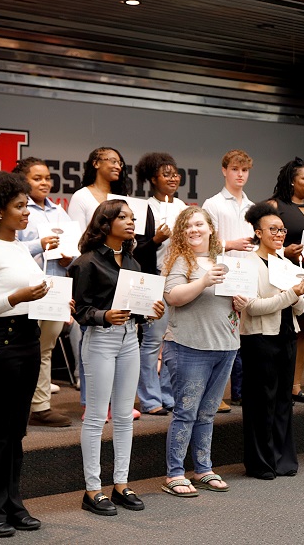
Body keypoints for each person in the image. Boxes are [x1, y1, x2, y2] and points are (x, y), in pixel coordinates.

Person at [0, 171, 55, 537]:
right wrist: (16, 298)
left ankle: (11, 504)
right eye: (20, 206)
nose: (27, 212)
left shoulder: (19, 246)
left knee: (16, 430)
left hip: (26, 339)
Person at [68, 200, 165, 516]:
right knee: (97, 416)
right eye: (123, 216)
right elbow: (80, 311)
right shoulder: (86, 263)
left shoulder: (135, 264)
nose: (131, 221)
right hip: (100, 341)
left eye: (133, 217)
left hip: (129, 341)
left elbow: (136, 308)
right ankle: (92, 490)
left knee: (125, 415)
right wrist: (104, 315)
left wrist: (151, 312)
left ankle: (121, 484)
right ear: (104, 223)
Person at [160, 207, 238, 495]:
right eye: (187, 226)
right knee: (186, 413)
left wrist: (240, 302)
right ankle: (174, 474)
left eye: (198, 224)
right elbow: (172, 297)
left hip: (226, 345)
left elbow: (232, 301)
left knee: (206, 414)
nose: (193, 230)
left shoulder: (224, 262)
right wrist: (203, 281)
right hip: (188, 346)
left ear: (210, 229)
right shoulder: (183, 261)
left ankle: (203, 468)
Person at [66, 147, 135, 415]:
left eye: (121, 161)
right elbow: (77, 236)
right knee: (91, 335)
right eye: (112, 160)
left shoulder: (122, 198)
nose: (118, 165)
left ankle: (115, 403)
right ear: (95, 162)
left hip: (119, 265)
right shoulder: (82, 196)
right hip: (94, 266)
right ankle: (91, 402)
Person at [239, 203, 304, 479]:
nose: (279, 234)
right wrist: (290, 294)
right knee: (260, 401)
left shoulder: (287, 264)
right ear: (258, 233)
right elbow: (251, 307)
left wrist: (300, 294)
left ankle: (283, 459)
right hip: (259, 338)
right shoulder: (247, 264)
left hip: (287, 334)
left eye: (282, 229)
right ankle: (260, 463)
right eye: (273, 229)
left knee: (282, 399)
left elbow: (299, 309)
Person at [13, 157, 73, 428]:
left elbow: (74, 248)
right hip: (28, 290)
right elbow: (9, 249)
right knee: (25, 350)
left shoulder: (60, 212)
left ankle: (40, 407)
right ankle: (18, 406)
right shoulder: (17, 208)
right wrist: (40, 244)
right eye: (37, 178)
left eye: (47, 177)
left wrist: (68, 258)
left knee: (45, 349)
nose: (45, 182)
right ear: (23, 180)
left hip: (56, 288)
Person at [133, 152, 187, 416]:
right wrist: (155, 239)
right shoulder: (144, 208)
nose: (173, 178)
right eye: (166, 174)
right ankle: (150, 398)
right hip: (155, 277)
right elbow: (134, 248)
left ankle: (168, 394)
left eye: (175, 173)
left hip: (180, 280)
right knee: (153, 340)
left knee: (173, 341)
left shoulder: (183, 208)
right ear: (152, 178)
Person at [269, 157, 304, 404]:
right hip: (284, 271)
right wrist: (285, 252)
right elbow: (260, 240)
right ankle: (278, 387)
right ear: (291, 181)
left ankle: (295, 386)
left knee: (303, 330)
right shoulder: (275, 205)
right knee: (283, 331)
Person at [202, 150, 256, 410]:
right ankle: (217, 394)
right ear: (224, 170)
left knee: (242, 333)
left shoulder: (252, 207)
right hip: (222, 273)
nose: (240, 175)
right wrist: (230, 243)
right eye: (235, 169)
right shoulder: (213, 204)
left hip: (245, 273)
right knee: (222, 332)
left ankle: (240, 390)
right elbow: (203, 241)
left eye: (244, 170)